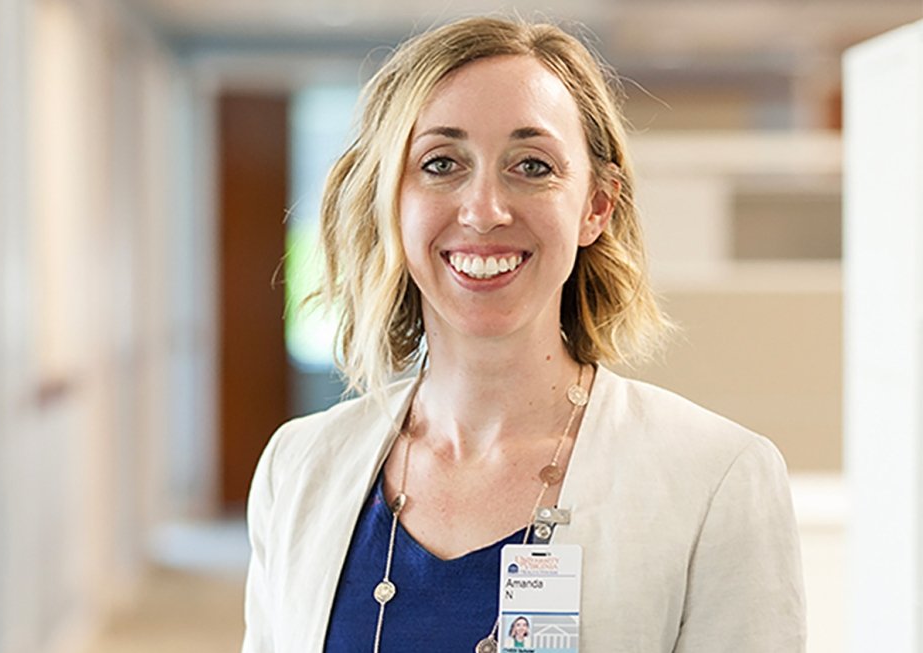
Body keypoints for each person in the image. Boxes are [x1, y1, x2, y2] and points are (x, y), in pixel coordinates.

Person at [242, 15, 805, 653]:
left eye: (532, 165)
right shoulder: (298, 467)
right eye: (441, 163)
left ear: (597, 205)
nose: (484, 210)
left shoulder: (717, 479)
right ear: (390, 201)